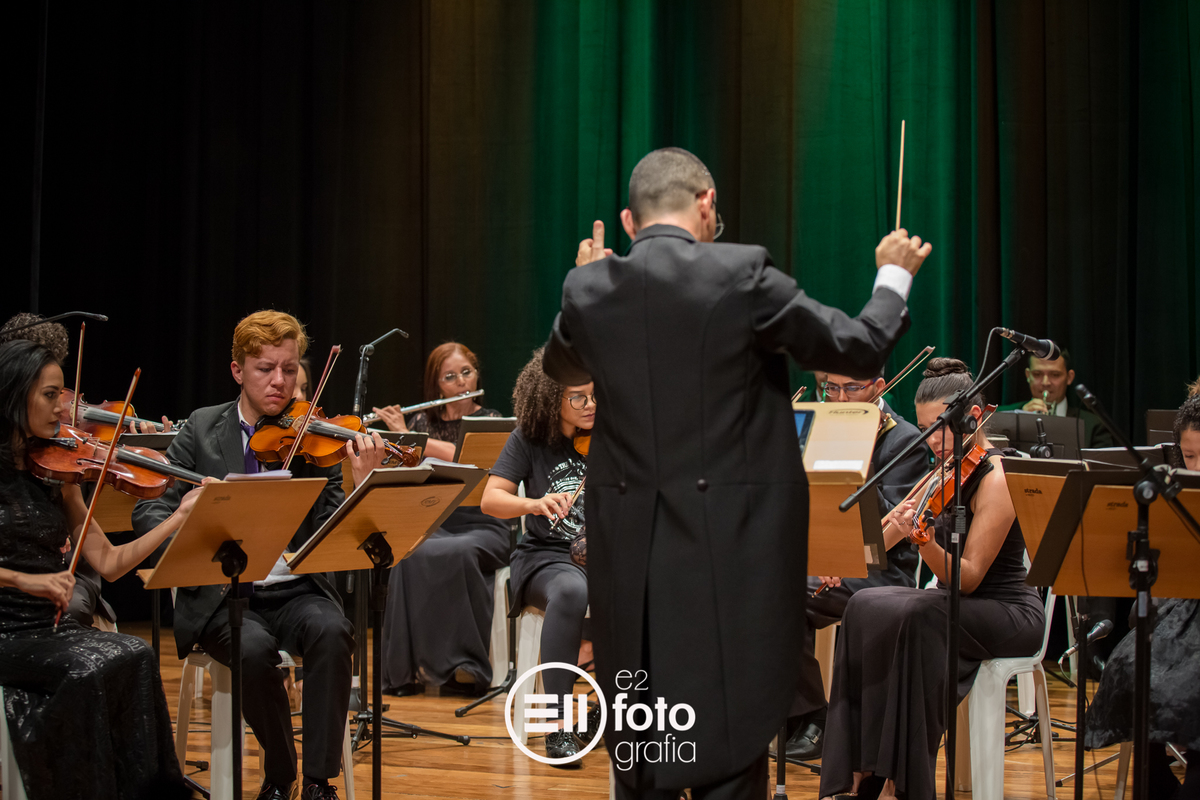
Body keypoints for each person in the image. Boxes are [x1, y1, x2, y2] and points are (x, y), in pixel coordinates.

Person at [543, 146, 929, 797]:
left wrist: (586, 282)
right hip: (730, 559)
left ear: (629, 222)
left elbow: (561, 365)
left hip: (629, 562)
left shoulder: (589, 289)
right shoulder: (742, 272)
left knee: (643, 741)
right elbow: (858, 348)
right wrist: (893, 274)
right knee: (728, 741)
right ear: (707, 203)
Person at [133, 310, 386, 800]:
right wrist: (185, 528)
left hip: (294, 589)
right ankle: (280, 772)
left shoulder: (311, 435)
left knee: (334, 631)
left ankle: (319, 782)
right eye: (265, 368)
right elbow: (152, 507)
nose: (279, 381)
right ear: (237, 370)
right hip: (223, 593)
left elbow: (334, 528)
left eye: (289, 369)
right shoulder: (202, 428)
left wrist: (360, 483)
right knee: (250, 649)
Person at [817, 358, 1046, 800]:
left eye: (941, 428)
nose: (933, 441)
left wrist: (923, 541)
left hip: (1006, 609)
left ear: (974, 416)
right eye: (925, 430)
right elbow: (881, 540)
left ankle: (901, 783)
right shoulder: (942, 471)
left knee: (919, 616)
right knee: (863, 604)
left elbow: (969, 579)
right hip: (951, 603)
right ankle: (860, 773)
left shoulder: (997, 477)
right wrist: (843, 559)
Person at [0, 339, 210, 799]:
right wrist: (23, 579)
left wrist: (177, 518)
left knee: (136, 654)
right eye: (50, 396)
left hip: (48, 627)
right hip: (5, 632)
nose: (64, 409)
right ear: (15, 395)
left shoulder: (55, 472)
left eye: (61, 395)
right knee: (86, 669)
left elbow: (110, 564)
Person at [782, 369, 929, 761]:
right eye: (831, 388)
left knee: (784, 596)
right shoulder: (820, 424)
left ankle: (815, 717)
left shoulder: (904, 439)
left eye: (851, 388)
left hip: (878, 568)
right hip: (820, 557)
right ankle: (790, 710)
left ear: (879, 386)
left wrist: (859, 463)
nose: (840, 399)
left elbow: (897, 523)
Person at [481, 347, 595, 764]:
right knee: (570, 591)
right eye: (578, 397)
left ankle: (614, 713)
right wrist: (534, 503)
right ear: (551, 399)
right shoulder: (528, 438)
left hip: (603, 555)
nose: (590, 405)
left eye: (595, 395)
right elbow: (491, 499)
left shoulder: (612, 437)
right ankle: (556, 724)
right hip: (546, 556)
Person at [376, 342, 510, 692]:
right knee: (405, 553)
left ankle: (464, 667)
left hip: (485, 522)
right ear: (437, 385)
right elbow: (403, 470)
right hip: (434, 520)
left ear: (476, 374)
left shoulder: (491, 420)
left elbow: (465, 457)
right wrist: (395, 440)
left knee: (461, 552)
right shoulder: (422, 421)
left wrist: (412, 438)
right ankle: (404, 671)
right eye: (450, 377)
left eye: (466, 372)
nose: (461, 382)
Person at [1085, 394, 1200, 800]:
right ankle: (1152, 776)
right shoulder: (1176, 490)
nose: (1196, 468)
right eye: (1189, 456)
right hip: (1185, 609)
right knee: (1133, 664)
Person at [1000, 349, 1114, 448]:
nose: (1046, 383)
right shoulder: (1001, 417)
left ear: (1069, 377)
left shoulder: (1093, 425)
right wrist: (1020, 420)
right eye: (1037, 374)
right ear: (1028, 375)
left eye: (1055, 375)